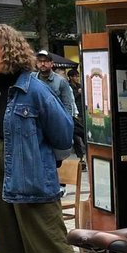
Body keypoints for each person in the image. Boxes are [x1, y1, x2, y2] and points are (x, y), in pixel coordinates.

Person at [0, 24, 81, 253]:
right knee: (17, 239)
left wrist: (42, 163)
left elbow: (63, 133)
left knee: (51, 238)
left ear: (8, 51)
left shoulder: (34, 89)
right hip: (2, 177)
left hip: (33, 176)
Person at [35, 50, 76, 187]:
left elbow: (67, 105)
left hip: (55, 125)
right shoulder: (32, 80)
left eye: (45, 61)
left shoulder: (61, 82)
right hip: (37, 126)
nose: (43, 64)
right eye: (40, 61)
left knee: (56, 158)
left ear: (51, 64)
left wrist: (66, 125)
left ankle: (60, 185)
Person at [67, 68, 86, 162]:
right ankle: (80, 157)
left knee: (83, 133)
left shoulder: (80, 86)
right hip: (74, 114)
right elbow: (70, 100)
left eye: (77, 76)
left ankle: (86, 152)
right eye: (75, 76)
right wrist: (78, 93)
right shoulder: (68, 87)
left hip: (82, 112)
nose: (77, 78)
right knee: (76, 136)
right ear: (70, 77)